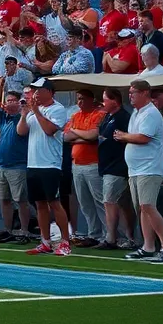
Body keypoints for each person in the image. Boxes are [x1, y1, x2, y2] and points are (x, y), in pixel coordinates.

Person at [115, 80, 163, 263]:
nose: (130, 95)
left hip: (150, 167)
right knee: (141, 207)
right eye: (130, 92)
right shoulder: (136, 112)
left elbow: (143, 137)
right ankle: (148, 247)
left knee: (148, 205)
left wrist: (123, 136)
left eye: (134, 92)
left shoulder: (151, 113)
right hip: (135, 169)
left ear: (145, 93)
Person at [17, 78, 72, 256]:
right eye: (34, 90)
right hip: (33, 163)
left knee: (54, 203)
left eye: (39, 90)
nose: (36, 94)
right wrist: (25, 114)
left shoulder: (58, 109)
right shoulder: (33, 111)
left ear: (49, 92)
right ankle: (45, 241)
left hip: (50, 164)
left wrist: (35, 111)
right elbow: (21, 132)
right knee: (40, 204)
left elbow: (49, 130)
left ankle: (65, 241)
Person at [0, 77, 32, 244]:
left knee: (20, 200)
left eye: (13, 100)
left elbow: (21, 133)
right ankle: (8, 229)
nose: (9, 102)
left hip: (17, 164)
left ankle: (24, 231)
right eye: (8, 100)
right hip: (1, 164)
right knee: (4, 199)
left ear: (19, 102)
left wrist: (22, 112)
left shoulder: (23, 117)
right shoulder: (3, 118)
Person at [62, 89, 105, 247]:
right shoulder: (75, 116)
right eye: (78, 99)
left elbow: (94, 136)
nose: (79, 102)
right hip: (77, 164)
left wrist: (76, 133)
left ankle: (107, 235)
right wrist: (82, 135)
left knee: (100, 201)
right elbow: (66, 137)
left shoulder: (98, 114)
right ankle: (93, 234)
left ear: (91, 99)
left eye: (82, 99)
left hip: (93, 163)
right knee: (85, 202)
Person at [97, 88, 137, 250]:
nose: (103, 103)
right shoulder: (108, 116)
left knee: (110, 201)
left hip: (117, 166)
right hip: (107, 165)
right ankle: (128, 236)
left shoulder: (123, 117)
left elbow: (127, 138)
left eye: (105, 100)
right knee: (120, 202)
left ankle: (111, 238)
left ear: (114, 101)